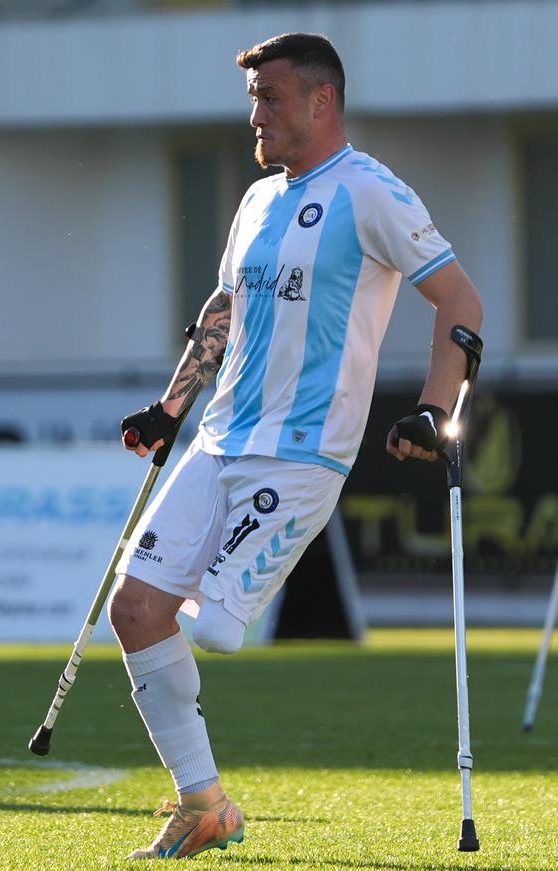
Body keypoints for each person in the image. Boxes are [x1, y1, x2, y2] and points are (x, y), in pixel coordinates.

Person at [109, 32, 483, 860]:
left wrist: (433, 408)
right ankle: (204, 804)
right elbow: (224, 306)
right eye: (252, 99)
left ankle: (205, 798)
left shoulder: (371, 193)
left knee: (215, 631)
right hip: (219, 439)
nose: (256, 115)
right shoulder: (254, 201)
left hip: (302, 454)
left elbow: (459, 297)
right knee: (132, 609)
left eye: (269, 98)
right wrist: (173, 406)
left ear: (322, 101)